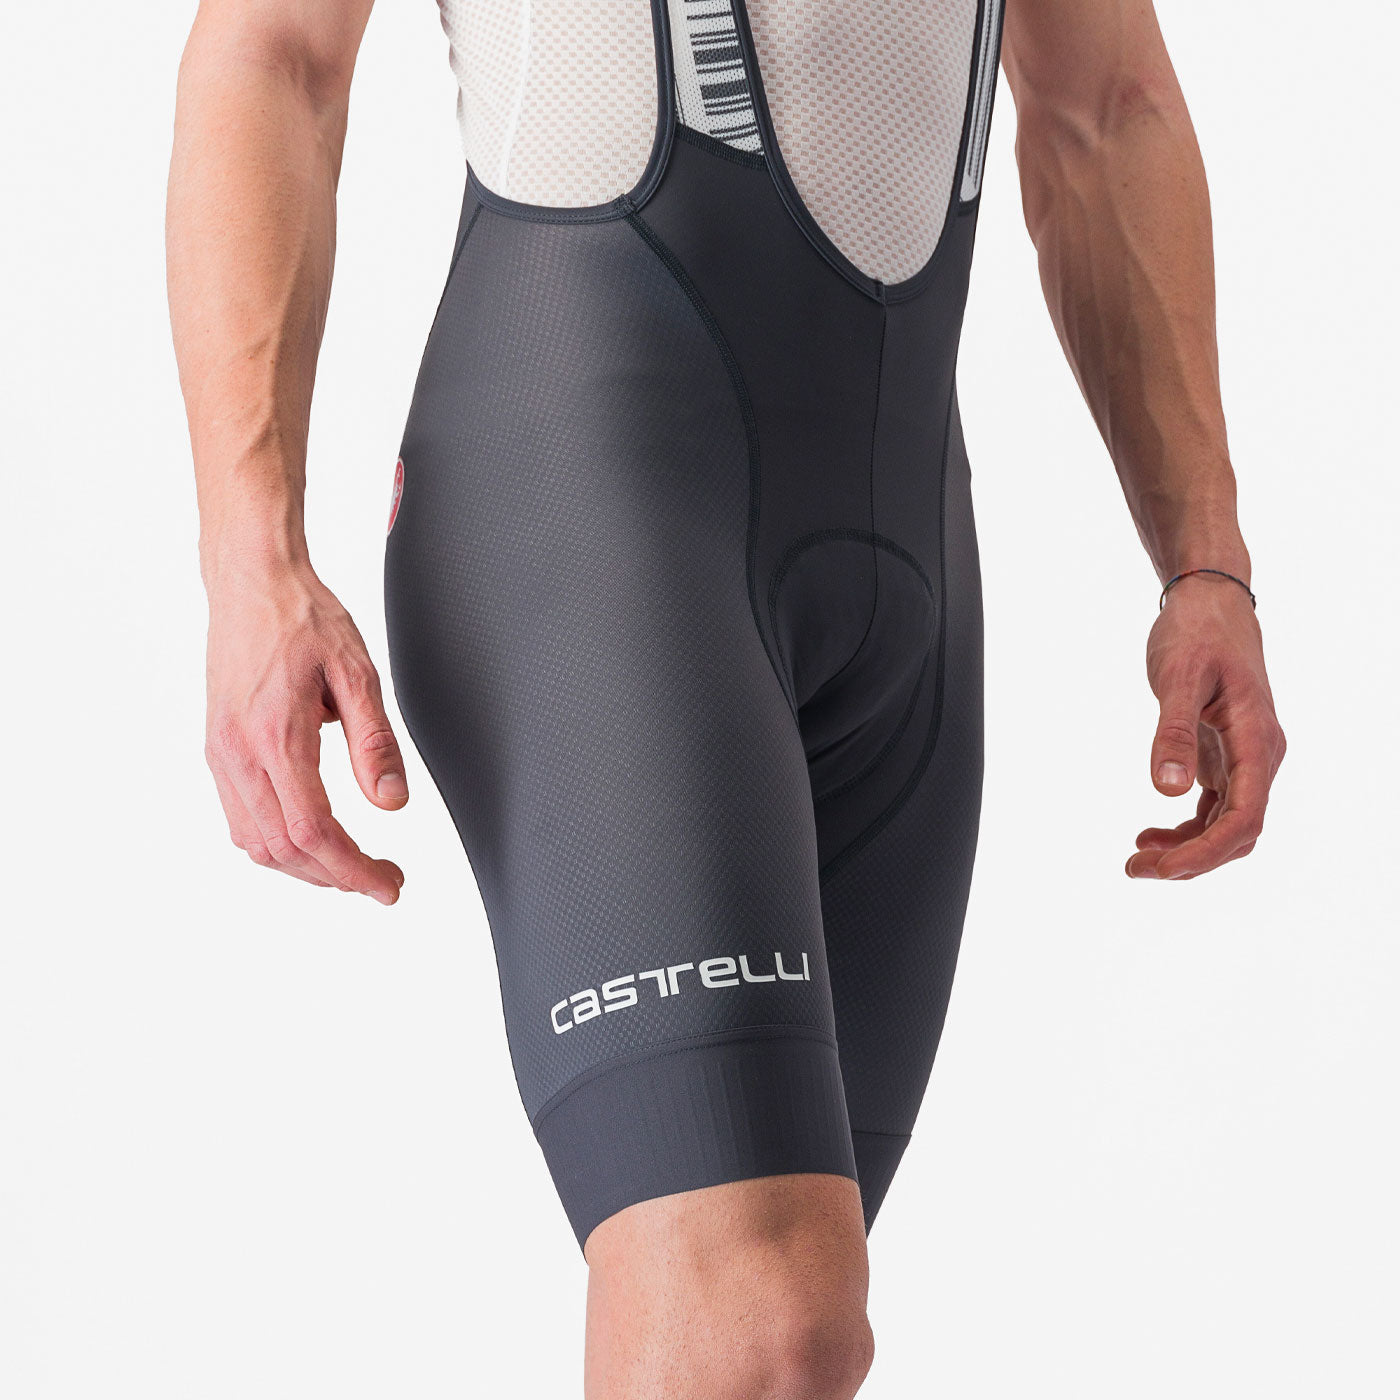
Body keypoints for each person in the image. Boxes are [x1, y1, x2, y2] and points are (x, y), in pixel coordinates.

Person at [167, 1, 1286, 1394]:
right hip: (587, 484)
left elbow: (1104, 107)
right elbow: (272, 52)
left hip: (902, 548)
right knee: (761, 1315)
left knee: (772, 1346)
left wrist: (1205, 564)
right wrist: (251, 562)